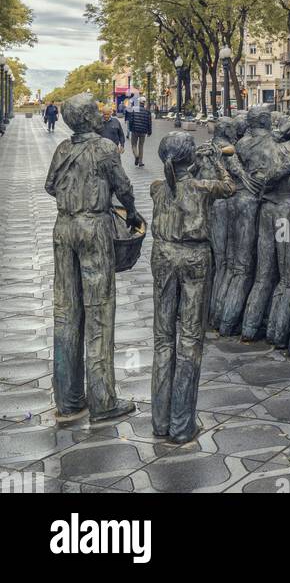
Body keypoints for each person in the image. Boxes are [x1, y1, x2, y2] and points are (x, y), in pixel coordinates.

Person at [45, 92, 142, 425]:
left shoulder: (63, 149)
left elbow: (50, 186)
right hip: (93, 227)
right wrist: (130, 212)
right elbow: (124, 186)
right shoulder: (103, 148)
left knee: (66, 310)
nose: (102, 115)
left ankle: (69, 399)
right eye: (95, 111)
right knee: (99, 310)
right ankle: (102, 400)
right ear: (88, 118)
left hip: (63, 228)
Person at [150, 133, 234, 445]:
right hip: (195, 257)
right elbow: (228, 187)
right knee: (189, 339)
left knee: (162, 339)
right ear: (190, 158)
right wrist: (215, 160)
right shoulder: (201, 188)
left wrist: (191, 165)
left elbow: (176, 180)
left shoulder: (157, 188)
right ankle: (182, 423)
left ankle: (160, 420)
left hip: (162, 255)